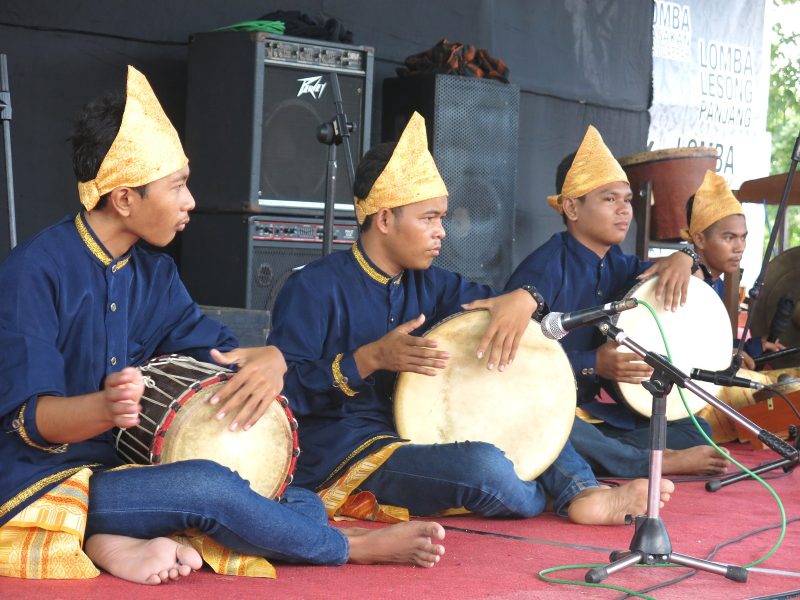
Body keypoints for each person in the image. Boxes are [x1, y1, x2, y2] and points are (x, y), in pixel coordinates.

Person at [0, 66, 446, 586]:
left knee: (287, 490)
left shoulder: (155, 273)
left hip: (127, 473)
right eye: (179, 187)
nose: (191, 201)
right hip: (46, 480)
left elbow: (222, 357)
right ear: (124, 199)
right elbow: (32, 422)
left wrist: (271, 359)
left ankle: (113, 539)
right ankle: (343, 544)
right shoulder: (34, 272)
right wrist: (104, 408)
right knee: (208, 489)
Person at [267, 113, 673, 527]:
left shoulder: (432, 284)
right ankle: (546, 492)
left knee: (533, 397)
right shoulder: (313, 288)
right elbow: (284, 395)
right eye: (428, 218)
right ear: (385, 219)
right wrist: (369, 359)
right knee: (486, 466)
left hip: (420, 434)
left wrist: (523, 297)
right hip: (348, 451)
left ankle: (580, 491)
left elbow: (496, 306)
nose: (441, 231)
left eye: (441, 217)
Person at [505, 125, 729, 478]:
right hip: (539, 405)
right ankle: (651, 462)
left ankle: (620, 455)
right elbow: (512, 360)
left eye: (627, 199)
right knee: (557, 432)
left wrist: (687, 257)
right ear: (571, 208)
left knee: (692, 428)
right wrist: (592, 362)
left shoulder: (621, 266)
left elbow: (683, 276)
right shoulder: (543, 269)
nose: (624, 210)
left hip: (591, 414)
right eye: (610, 199)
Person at [683, 170, 783, 365]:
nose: (740, 247)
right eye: (729, 237)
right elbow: (676, 347)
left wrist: (755, 346)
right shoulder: (687, 283)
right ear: (699, 239)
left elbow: (717, 341)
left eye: (743, 237)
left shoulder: (715, 284)